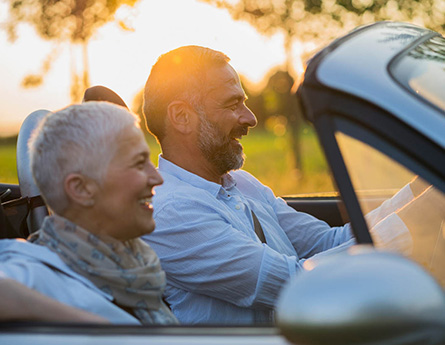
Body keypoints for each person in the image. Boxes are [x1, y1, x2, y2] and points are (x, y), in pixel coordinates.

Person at [141, 45, 426, 325]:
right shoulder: (171, 213)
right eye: (232, 104)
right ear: (181, 117)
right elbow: (297, 284)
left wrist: (422, 190)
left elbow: (329, 243)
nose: (250, 118)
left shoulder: (241, 183)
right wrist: (420, 218)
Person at [0, 102, 177, 325]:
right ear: (81, 189)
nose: (157, 178)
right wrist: (103, 330)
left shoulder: (135, 264)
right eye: (139, 163)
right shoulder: (35, 272)